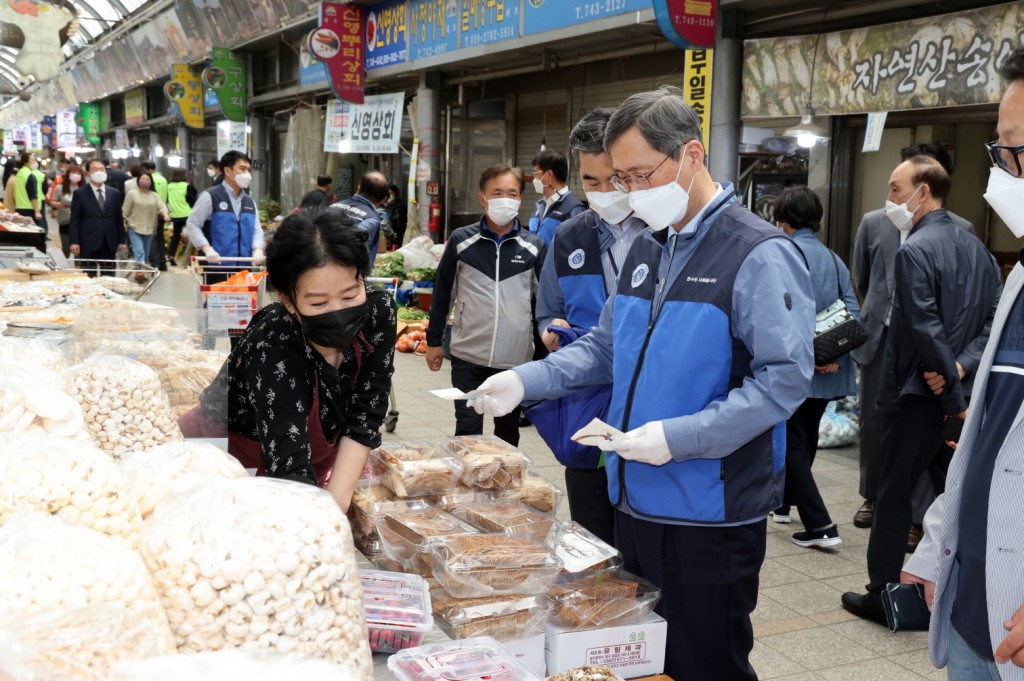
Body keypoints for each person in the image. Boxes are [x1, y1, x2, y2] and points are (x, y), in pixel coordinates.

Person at [468, 87, 814, 681]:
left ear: (692, 156)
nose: (629, 192)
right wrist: (525, 381)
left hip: (709, 511)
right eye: (620, 178)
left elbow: (783, 382)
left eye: (639, 174)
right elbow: (605, 348)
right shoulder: (650, 248)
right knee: (648, 661)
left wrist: (677, 437)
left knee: (707, 662)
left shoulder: (757, 252)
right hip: (631, 499)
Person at [901, 46, 1024, 678]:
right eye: (1001, 151)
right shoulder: (1019, 269)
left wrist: (941, 368)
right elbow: (988, 433)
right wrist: (935, 545)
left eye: (1016, 151)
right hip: (973, 601)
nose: (1003, 170)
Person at [841, 156, 1002, 626]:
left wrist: (945, 371)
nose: (890, 200)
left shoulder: (913, 250)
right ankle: (962, 581)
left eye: (895, 189)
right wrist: (961, 367)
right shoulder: (980, 249)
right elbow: (994, 319)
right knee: (959, 487)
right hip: (956, 393)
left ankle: (882, 594)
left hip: (917, 394)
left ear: (923, 191)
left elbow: (923, 326)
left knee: (892, 493)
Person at [183, 209, 396, 513]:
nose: (338, 311)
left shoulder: (378, 312)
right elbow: (289, 466)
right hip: (225, 455)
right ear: (287, 300)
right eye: (319, 303)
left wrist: (336, 506)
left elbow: (366, 412)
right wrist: (322, 523)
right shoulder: (273, 340)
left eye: (350, 295)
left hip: (303, 457)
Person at [532, 107, 647, 546]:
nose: (603, 193)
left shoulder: (662, 232)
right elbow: (548, 309)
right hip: (589, 409)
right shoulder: (568, 237)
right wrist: (550, 328)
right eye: (590, 182)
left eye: (613, 180)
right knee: (593, 538)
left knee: (641, 541)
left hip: (650, 409)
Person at [851, 143, 974, 538]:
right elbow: (863, 278)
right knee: (873, 423)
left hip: (927, 344)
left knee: (921, 428)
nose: (892, 196)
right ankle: (872, 495)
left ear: (930, 187)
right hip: (880, 336)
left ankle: (917, 515)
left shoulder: (960, 229)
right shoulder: (873, 222)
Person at [425, 164, 547, 448]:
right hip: (468, 356)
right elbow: (443, 294)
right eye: (498, 192)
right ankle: (470, 488)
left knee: (507, 433)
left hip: (515, 361)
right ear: (483, 198)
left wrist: (543, 360)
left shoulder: (535, 247)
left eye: (512, 193)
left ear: (520, 199)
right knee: (467, 431)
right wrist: (434, 341)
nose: (505, 199)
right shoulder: (461, 241)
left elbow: (544, 308)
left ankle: (504, 488)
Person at [769, 186, 857, 549]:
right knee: (804, 435)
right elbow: (852, 309)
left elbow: (782, 313)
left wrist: (809, 355)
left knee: (790, 440)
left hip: (798, 366)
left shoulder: (783, 254)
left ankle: (820, 525)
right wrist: (829, 355)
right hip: (832, 365)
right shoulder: (834, 258)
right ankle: (784, 504)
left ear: (783, 221)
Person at [183, 150, 265, 270]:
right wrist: (207, 249)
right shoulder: (210, 196)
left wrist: (258, 249)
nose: (247, 173)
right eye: (242, 169)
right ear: (227, 171)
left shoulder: (249, 201)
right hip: (216, 265)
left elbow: (257, 230)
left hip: (244, 265)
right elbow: (193, 224)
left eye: (249, 170)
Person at [69, 159, 126, 275]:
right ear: (88, 173)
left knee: (109, 276)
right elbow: (75, 220)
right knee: (89, 275)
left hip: (109, 241)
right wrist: (74, 241)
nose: (99, 172)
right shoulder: (80, 193)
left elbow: (118, 219)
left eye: (102, 169)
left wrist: (121, 240)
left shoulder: (114, 193)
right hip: (88, 241)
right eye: (95, 169)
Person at [331, 171, 391, 270]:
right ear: (384, 199)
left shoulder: (332, 207)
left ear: (358, 188)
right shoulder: (371, 220)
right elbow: (359, 255)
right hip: (346, 278)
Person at [529, 148, 585, 245]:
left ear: (549, 175)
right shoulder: (540, 205)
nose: (534, 179)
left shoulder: (573, 208)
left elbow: (579, 246)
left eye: (536, 173)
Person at [122, 171, 171, 276]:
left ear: (151, 182)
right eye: (142, 179)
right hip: (134, 227)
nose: (145, 181)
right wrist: (124, 221)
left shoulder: (154, 195)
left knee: (146, 252)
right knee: (139, 251)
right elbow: (125, 209)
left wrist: (165, 214)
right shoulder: (132, 194)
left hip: (150, 228)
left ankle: (140, 270)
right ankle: (140, 272)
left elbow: (161, 206)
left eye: (147, 179)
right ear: (138, 181)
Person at [50, 163, 85, 257]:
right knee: (66, 248)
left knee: (80, 249)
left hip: (81, 221)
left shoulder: (85, 188)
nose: (76, 175)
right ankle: (64, 267)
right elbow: (52, 200)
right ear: (68, 174)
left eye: (78, 173)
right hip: (65, 220)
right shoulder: (60, 188)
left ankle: (79, 268)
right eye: (73, 173)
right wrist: (57, 204)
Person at [141, 160, 170, 271]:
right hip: (162, 212)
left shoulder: (147, 180)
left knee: (151, 238)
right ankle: (162, 262)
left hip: (151, 213)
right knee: (160, 238)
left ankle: (155, 262)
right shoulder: (163, 179)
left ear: (145, 169)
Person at [166, 168, 197, 267]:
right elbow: (193, 201)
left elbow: (167, 200)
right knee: (191, 236)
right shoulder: (187, 186)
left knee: (176, 236)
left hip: (175, 214)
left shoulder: (169, 186)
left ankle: (171, 255)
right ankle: (189, 258)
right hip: (187, 214)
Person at [13, 152, 44, 226]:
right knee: (31, 234)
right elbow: (33, 195)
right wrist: (37, 211)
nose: (35, 162)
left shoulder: (19, 173)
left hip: (19, 208)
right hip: (30, 209)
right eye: (32, 160)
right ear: (25, 162)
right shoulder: (30, 175)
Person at [385, 183, 408, 250]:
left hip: (397, 236)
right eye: (388, 194)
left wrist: (391, 234)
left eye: (391, 193)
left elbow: (398, 223)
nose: (389, 196)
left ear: (396, 195)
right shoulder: (388, 206)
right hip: (390, 236)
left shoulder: (400, 207)